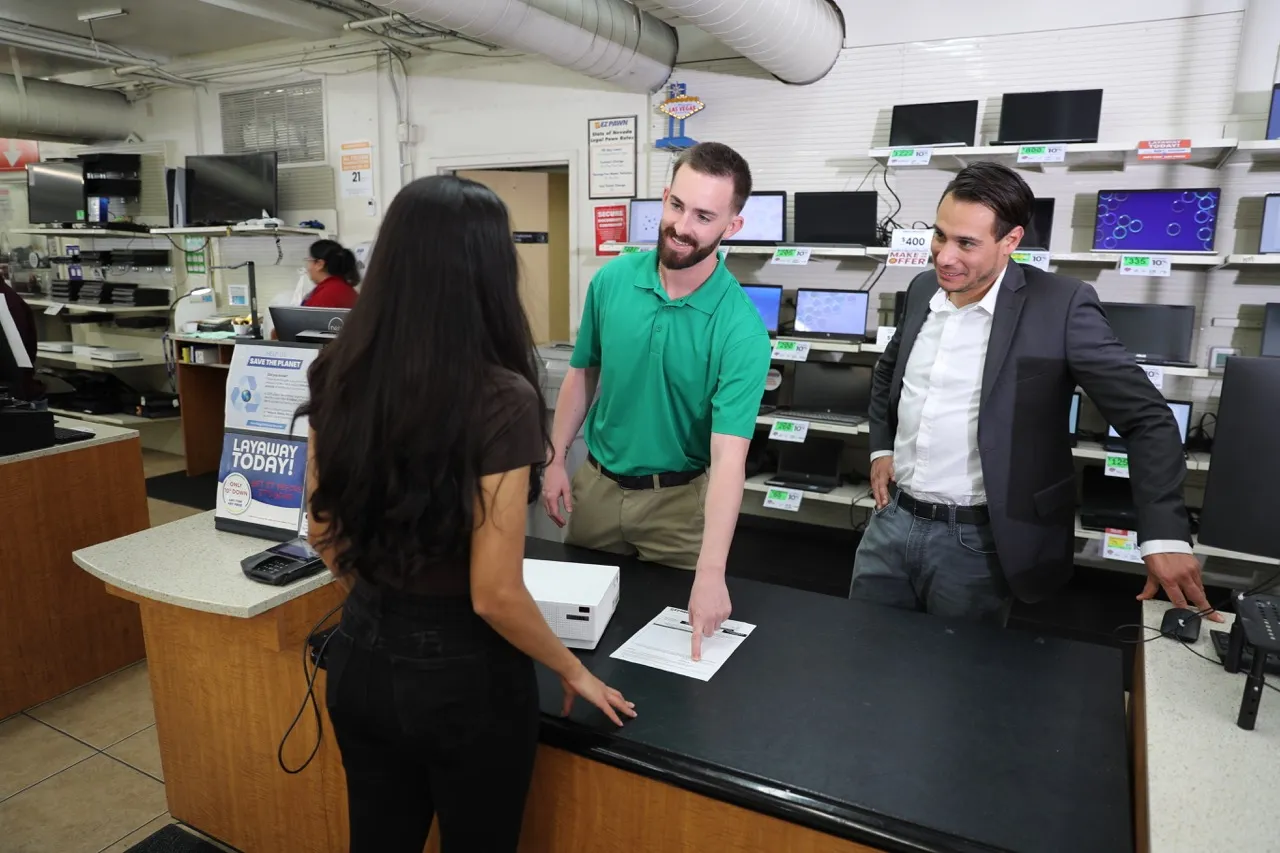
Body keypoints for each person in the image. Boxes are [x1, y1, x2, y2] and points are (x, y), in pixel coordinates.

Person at [301, 175, 635, 853]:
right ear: (485, 269)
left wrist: (380, 610)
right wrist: (573, 670)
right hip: (463, 680)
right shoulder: (501, 398)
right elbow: (495, 592)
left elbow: (322, 529)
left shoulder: (337, 368)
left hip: (360, 655)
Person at [852, 161, 1216, 625]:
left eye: (967, 243)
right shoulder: (924, 287)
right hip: (890, 521)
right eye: (940, 235)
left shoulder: (1061, 305)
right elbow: (890, 373)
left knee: (955, 684)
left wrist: (1164, 533)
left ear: (1011, 241)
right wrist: (881, 446)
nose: (944, 256)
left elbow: (1147, 419)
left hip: (978, 541)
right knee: (860, 654)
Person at [541, 141, 772, 659]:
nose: (682, 226)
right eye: (676, 206)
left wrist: (713, 573)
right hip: (595, 490)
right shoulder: (611, 281)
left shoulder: (741, 330)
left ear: (731, 226)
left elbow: (730, 458)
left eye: (704, 216)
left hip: (679, 506)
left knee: (670, 656)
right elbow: (584, 372)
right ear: (664, 196)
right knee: (576, 639)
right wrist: (556, 459)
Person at [301, 239, 360, 309]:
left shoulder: (325, 295)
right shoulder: (348, 290)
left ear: (319, 264)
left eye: (309, 261)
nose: (308, 267)